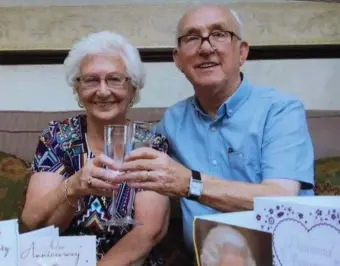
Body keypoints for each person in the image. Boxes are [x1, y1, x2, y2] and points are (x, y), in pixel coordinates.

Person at [108, 3, 314, 258]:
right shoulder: (172, 122)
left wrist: (189, 184)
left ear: (241, 52)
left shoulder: (281, 111)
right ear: (178, 60)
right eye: (192, 38)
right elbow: (133, 175)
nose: (206, 47)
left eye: (218, 34)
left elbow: (280, 199)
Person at [21, 31, 170, 266]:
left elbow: (148, 232)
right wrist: (72, 187)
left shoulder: (151, 143)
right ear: (78, 90)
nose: (102, 91)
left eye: (114, 79)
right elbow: (33, 222)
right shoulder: (58, 138)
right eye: (91, 80)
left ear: (133, 89)